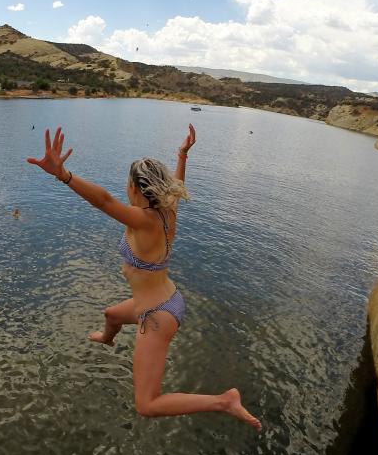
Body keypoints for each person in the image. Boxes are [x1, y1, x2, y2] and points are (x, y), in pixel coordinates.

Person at [26, 124, 261, 428]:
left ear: (134, 189)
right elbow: (178, 183)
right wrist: (182, 154)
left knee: (147, 405)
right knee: (111, 314)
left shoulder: (142, 220)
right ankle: (107, 339)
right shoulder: (168, 210)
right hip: (165, 298)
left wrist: (64, 175)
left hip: (155, 315)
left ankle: (223, 401)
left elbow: (103, 201)